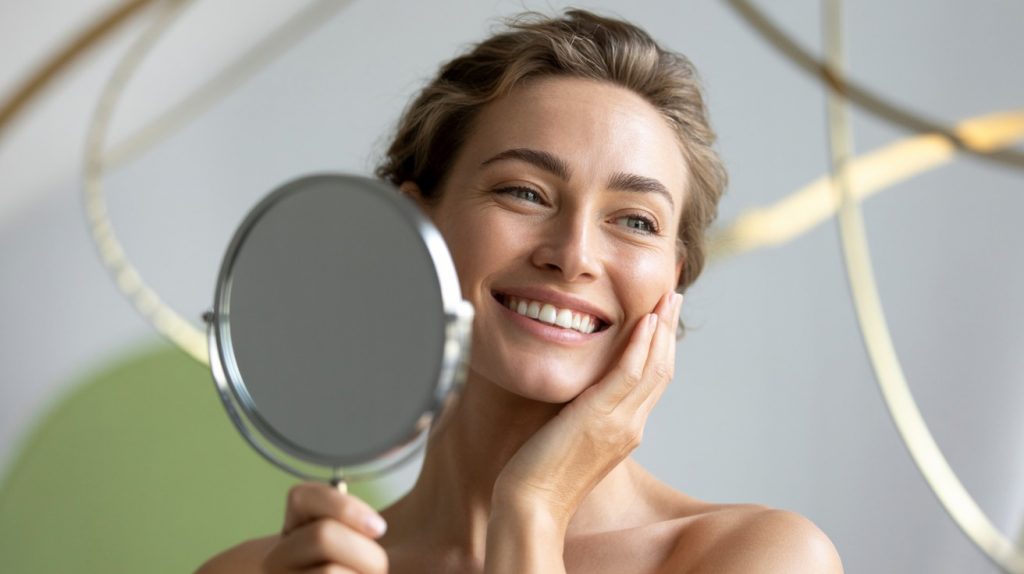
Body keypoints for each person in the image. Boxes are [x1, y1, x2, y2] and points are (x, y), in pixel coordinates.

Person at [199, 9, 843, 573]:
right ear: (412, 229)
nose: (573, 256)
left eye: (636, 221)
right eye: (524, 192)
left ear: (672, 279)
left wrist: (533, 509)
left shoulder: (759, 559)